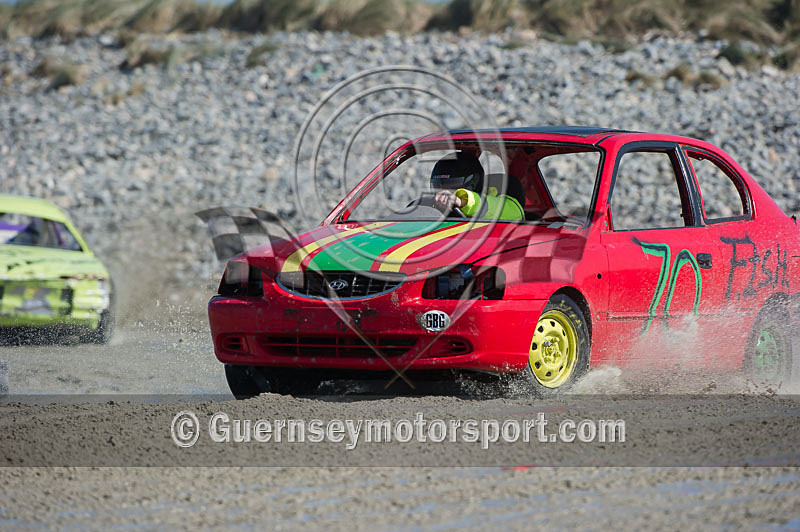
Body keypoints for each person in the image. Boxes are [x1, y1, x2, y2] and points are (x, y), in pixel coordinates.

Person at [430, 152, 524, 221]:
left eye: (451, 185)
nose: (443, 191)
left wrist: (462, 201)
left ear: (473, 182)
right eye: (438, 185)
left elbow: (515, 213)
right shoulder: (436, 203)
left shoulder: (495, 194)